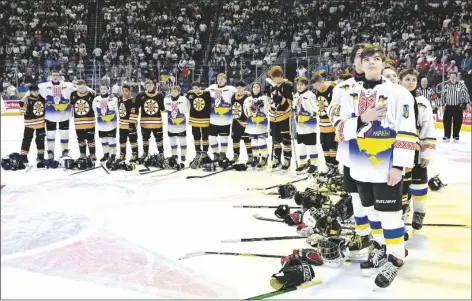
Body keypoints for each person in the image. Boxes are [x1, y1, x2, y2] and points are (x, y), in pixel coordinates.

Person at [332, 45, 417, 288]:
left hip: (386, 165)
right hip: (359, 166)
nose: (371, 63)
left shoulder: (399, 93)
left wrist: (399, 166)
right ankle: (382, 248)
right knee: (371, 213)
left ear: (383, 63)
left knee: (390, 215)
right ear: (360, 63)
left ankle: (396, 258)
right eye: (367, 59)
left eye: (376, 59)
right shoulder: (350, 93)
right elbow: (338, 128)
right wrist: (362, 119)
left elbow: (407, 131)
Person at [328, 43, 371, 259]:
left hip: (378, 150)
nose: (363, 60)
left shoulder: (386, 86)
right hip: (351, 149)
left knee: (377, 193)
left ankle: (382, 235)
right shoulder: (342, 88)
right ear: (354, 60)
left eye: (367, 56)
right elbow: (332, 113)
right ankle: (362, 233)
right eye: (359, 56)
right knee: (355, 193)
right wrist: (349, 125)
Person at [398, 68, 436, 230]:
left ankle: (419, 212)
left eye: (413, 80)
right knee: (400, 186)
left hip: (416, 150)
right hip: (398, 151)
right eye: (407, 79)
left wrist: (427, 152)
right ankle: (402, 213)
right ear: (400, 81)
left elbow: (428, 128)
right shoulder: (395, 99)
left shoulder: (422, 102)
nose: (411, 82)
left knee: (419, 183)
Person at [312, 73, 339, 179]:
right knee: (324, 145)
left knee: (332, 145)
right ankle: (328, 165)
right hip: (322, 124)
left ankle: (335, 166)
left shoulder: (332, 89)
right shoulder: (318, 92)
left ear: (321, 82)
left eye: (316, 85)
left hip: (331, 124)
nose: (315, 87)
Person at [267, 66, 294, 171]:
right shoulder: (271, 86)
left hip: (284, 115)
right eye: (273, 77)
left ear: (281, 76)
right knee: (275, 139)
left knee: (286, 138)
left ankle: (287, 158)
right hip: (273, 116)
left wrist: (281, 100)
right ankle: (277, 158)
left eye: (276, 77)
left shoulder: (287, 85)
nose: (274, 79)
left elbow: (289, 103)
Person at [206, 73, 237, 163]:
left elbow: (240, 93)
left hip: (225, 120)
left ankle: (223, 154)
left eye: (222, 79)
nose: (219, 80)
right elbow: (201, 93)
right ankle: (215, 154)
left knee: (224, 138)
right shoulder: (211, 87)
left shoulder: (230, 89)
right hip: (213, 119)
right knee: (212, 138)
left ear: (226, 80)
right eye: (218, 79)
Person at [292, 76, 318, 175]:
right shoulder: (295, 95)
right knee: (301, 145)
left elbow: (314, 109)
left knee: (311, 145)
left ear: (306, 85)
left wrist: (303, 105)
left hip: (309, 124)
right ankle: (302, 162)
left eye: (301, 84)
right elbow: (295, 108)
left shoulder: (310, 95)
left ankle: (314, 163)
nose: (299, 86)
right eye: (298, 84)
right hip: (300, 124)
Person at [135, 80, 165, 162]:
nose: (149, 88)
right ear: (145, 87)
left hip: (157, 122)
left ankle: (161, 152)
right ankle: (145, 152)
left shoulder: (160, 95)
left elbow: (163, 108)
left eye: (150, 86)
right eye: (147, 86)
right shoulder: (141, 95)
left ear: (153, 86)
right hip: (145, 122)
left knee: (159, 138)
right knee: (145, 138)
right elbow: (135, 107)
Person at [243, 82, 271, 169]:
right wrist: (251, 111)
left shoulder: (264, 98)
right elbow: (245, 110)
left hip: (261, 122)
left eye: (257, 87)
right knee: (254, 142)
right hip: (251, 123)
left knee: (261, 141)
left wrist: (260, 108)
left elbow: (268, 108)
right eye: (254, 87)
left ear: (260, 88)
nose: (255, 88)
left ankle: (264, 158)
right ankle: (256, 157)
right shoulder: (248, 99)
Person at [19, 84, 46, 163]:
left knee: (40, 141)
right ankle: (24, 156)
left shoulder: (41, 98)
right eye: (34, 91)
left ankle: (40, 156)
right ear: (30, 91)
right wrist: (22, 104)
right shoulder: (26, 99)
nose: (36, 92)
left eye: (37, 90)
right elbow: (23, 111)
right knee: (27, 140)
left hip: (41, 123)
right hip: (29, 124)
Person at [70, 80, 97, 160]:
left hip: (90, 121)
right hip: (78, 121)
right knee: (80, 139)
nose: (81, 89)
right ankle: (82, 154)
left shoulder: (91, 94)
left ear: (86, 86)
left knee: (90, 139)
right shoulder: (73, 94)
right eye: (79, 88)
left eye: (82, 88)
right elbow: (72, 105)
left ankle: (92, 154)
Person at [440, 71, 470, 142]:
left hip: (457, 106)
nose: (452, 78)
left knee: (457, 122)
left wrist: (468, 103)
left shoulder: (461, 85)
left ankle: (456, 135)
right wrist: (443, 104)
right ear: (449, 78)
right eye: (451, 77)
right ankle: (446, 136)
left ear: (456, 77)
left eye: (454, 77)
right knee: (446, 121)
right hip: (448, 106)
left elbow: (466, 94)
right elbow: (442, 95)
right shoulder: (446, 86)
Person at [92, 85, 119, 162]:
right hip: (101, 123)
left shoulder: (113, 99)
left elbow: (116, 110)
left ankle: (113, 155)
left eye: (105, 88)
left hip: (111, 124)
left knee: (111, 140)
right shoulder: (96, 99)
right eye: (101, 89)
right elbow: (95, 110)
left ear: (108, 89)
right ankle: (106, 154)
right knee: (103, 140)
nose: (103, 90)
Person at [164, 86, 190, 164]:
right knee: (172, 139)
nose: (173, 92)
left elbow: (186, 110)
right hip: (171, 123)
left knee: (182, 139)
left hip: (181, 123)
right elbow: (166, 110)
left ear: (179, 92)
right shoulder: (166, 99)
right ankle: (174, 154)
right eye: (172, 91)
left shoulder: (183, 99)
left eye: (175, 91)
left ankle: (183, 154)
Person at [187, 81, 211, 160]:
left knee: (205, 136)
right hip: (194, 119)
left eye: (196, 88)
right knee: (196, 136)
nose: (195, 90)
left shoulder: (207, 94)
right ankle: (197, 151)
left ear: (200, 87)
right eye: (193, 88)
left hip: (205, 118)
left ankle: (205, 152)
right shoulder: (190, 94)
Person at [230, 81, 252, 164]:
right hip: (236, 121)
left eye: (240, 87)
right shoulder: (233, 96)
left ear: (244, 87)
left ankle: (250, 155)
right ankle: (236, 155)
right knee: (235, 139)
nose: (239, 89)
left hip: (245, 121)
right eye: (237, 88)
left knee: (247, 139)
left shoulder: (248, 96)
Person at [117, 85, 139, 162]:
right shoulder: (119, 99)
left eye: (126, 91)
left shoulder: (133, 101)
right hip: (122, 124)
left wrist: (131, 125)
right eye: (123, 91)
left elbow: (134, 113)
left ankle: (135, 154)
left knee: (133, 140)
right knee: (122, 140)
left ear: (129, 91)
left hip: (130, 125)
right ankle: (122, 154)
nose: (124, 92)